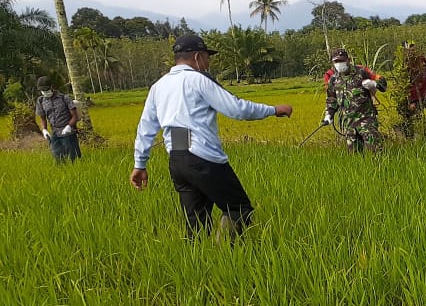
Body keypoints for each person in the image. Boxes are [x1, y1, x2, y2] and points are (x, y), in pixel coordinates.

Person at [130, 34, 293, 238]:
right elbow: (236, 109)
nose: (208, 63)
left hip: (177, 157)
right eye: (207, 57)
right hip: (203, 158)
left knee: (196, 222)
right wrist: (273, 110)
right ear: (198, 57)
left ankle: (201, 263)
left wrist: (140, 164)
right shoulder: (198, 80)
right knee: (239, 209)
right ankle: (226, 255)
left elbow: (146, 128)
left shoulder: (159, 86)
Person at [323, 47, 387, 152]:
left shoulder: (362, 72)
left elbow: (383, 83)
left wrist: (374, 84)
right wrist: (329, 114)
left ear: (348, 60)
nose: (339, 63)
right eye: (336, 61)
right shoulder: (333, 80)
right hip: (349, 125)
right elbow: (331, 100)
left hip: (366, 121)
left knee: (374, 151)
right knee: (355, 157)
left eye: (342, 60)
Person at [398, 42, 426, 138]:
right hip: (414, 97)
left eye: (415, 49)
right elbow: (406, 84)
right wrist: (411, 100)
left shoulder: (422, 60)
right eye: (411, 50)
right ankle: (411, 138)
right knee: (413, 118)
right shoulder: (406, 64)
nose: (414, 52)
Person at [34, 76, 81, 162]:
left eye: (46, 89)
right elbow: (43, 118)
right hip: (55, 134)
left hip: (68, 133)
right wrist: (44, 129)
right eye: (43, 90)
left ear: (52, 86)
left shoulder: (64, 98)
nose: (45, 92)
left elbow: (75, 116)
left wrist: (69, 127)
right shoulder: (40, 101)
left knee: (74, 160)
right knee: (58, 159)